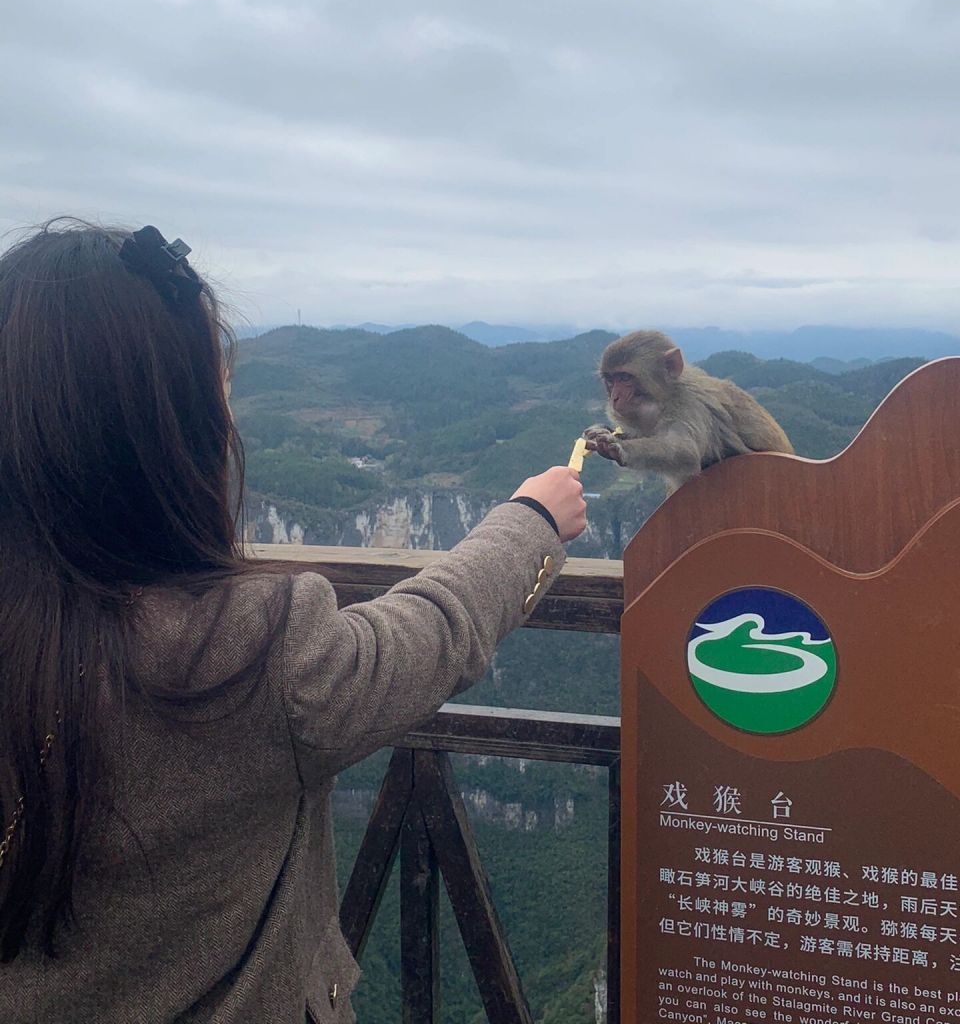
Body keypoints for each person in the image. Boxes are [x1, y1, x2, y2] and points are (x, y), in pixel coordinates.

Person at [0, 220, 587, 1023]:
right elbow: (435, 629)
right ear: (171, 432)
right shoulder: (245, 652)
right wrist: (531, 521)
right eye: (220, 389)